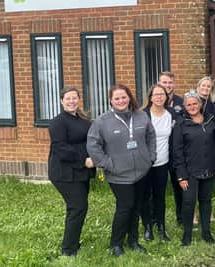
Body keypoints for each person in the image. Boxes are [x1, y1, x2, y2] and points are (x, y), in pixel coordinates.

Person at [87, 84, 156, 256]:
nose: (121, 101)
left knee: (137, 206)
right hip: (118, 174)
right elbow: (93, 145)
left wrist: (150, 157)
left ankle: (133, 241)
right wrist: (107, 163)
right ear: (111, 101)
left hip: (141, 171)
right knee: (125, 207)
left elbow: (151, 135)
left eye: (123, 97)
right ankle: (116, 244)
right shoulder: (102, 121)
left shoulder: (141, 116)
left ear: (129, 97)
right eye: (116, 98)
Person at [48, 87, 96, 256]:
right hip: (64, 172)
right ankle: (68, 250)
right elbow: (61, 148)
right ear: (61, 101)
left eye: (74, 98)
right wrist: (84, 160)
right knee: (78, 207)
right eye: (68, 99)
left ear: (79, 99)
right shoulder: (58, 122)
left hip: (81, 172)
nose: (71, 101)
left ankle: (72, 243)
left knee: (78, 208)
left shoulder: (82, 119)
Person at [173, 90, 215, 246]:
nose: (192, 106)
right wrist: (181, 176)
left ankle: (206, 233)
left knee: (206, 201)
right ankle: (187, 235)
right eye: (189, 105)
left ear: (200, 104)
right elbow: (177, 151)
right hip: (190, 172)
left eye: (195, 103)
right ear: (185, 107)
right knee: (188, 202)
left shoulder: (211, 120)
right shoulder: (181, 124)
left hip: (209, 169)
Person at [140, 84, 176, 242]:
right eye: (156, 94)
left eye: (162, 94)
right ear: (150, 97)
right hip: (145, 163)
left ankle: (161, 227)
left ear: (166, 97)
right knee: (145, 196)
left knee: (160, 196)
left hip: (163, 162)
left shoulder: (172, 114)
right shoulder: (142, 115)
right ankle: (148, 227)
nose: (159, 97)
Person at [158, 71, 185, 226]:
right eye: (164, 82)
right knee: (158, 189)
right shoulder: (153, 103)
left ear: (174, 84)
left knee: (178, 186)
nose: (167, 85)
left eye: (170, 82)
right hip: (159, 153)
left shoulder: (181, 102)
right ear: (159, 83)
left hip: (176, 152)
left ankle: (181, 218)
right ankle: (157, 221)